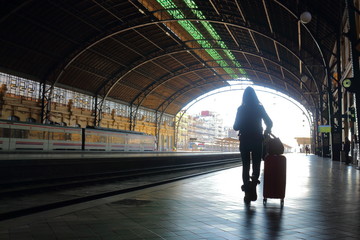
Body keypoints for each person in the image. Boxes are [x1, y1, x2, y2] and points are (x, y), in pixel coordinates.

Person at [233, 87, 272, 203]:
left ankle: (247, 193)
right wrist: (266, 132)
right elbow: (269, 122)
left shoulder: (241, 109)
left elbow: (235, 127)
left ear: (244, 97)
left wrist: (243, 123)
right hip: (257, 139)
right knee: (256, 165)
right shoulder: (259, 108)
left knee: (245, 166)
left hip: (244, 140)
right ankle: (253, 184)